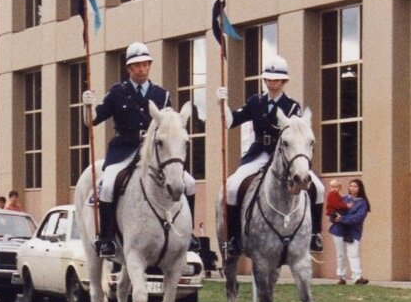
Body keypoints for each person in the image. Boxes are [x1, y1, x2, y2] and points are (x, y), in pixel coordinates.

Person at [82, 41, 197, 257]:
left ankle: (188, 235)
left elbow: (170, 125)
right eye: (137, 66)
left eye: (145, 64)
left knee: (189, 183)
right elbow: (93, 120)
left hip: (154, 151)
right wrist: (87, 106)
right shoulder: (117, 92)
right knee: (108, 185)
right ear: (129, 68)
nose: (142, 69)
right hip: (125, 149)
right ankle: (107, 239)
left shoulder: (161, 94)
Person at [217, 55, 325, 256]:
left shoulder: (292, 106)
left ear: (283, 81)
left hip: (284, 157)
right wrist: (222, 104)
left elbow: (296, 134)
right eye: (268, 79)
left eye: (276, 80)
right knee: (232, 187)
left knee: (318, 188)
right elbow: (231, 122)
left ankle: (314, 234)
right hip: (259, 153)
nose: (271, 83)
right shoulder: (255, 101)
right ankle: (233, 238)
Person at [329, 177, 370, 285]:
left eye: (355, 186)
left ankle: (357, 277)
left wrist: (342, 219)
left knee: (353, 254)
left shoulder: (363, 203)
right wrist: (334, 217)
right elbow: (332, 211)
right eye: (351, 186)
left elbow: (358, 217)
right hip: (339, 231)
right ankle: (341, 277)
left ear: (360, 188)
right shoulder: (342, 199)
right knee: (340, 255)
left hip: (353, 232)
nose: (352, 188)